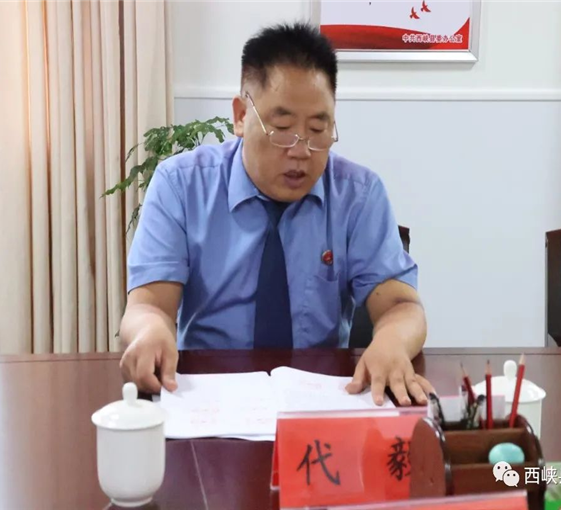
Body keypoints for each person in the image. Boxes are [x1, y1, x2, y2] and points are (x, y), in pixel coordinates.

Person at [119, 21, 434, 406]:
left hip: (320, 397)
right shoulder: (181, 186)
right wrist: (150, 331)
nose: (301, 151)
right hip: (207, 396)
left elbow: (403, 307)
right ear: (240, 116)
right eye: (283, 128)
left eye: (318, 129)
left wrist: (391, 342)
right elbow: (149, 306)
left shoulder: (359, 195)